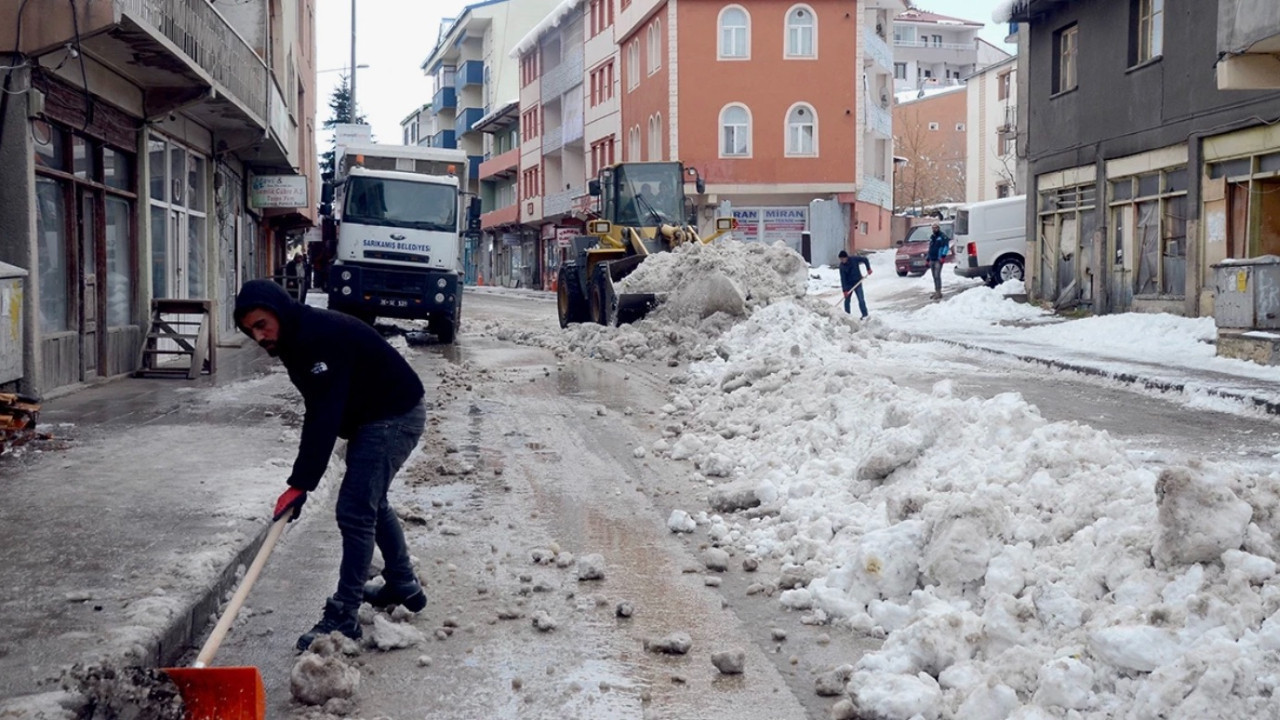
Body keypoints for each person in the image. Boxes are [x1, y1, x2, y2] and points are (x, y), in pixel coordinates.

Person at [233, 279, 428, 652]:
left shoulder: (314, 337)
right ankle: (403, 583)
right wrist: (302, 483)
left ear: (278, 311)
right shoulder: (293, 338)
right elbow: (319, 408)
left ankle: (343, 615)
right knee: (369, 500)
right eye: (249, 331)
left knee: (356, 509)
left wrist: (301, 484)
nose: (258, 336)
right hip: (376, 414)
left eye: (261, 325)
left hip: (393, 415)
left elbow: (324, 414)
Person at [837, 250, 872, 318]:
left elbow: (865, 259)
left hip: (857, 282)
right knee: (847, 301)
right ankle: (847, 316)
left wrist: (868, 269)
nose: (841, 260)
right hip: (849, 285)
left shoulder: (854, 259)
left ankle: (865, 315)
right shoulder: (842, 266)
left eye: (842, 259)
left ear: (846, 257)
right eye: (840, 259)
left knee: (861, 299)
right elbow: (843, 279)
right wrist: (844, 290)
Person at [925, 222, 951, 300]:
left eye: (935, 227)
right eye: (933, 228)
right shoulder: (932, 237)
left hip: (938, 259)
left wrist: (943, 256)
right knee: (934, 276)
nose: (934, 229)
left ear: (938, 228)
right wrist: (927, 259)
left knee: (937, 275)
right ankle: (936, 291)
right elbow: (930, 248)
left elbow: (946, 247)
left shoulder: (943, 237)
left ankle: (938, 292)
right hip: (932, 259)